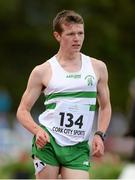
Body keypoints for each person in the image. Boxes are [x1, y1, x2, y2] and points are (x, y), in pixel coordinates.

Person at [17, 10, 111, 179]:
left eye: (80, 33)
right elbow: (22, 110)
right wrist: (37, 131)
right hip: (48, 144)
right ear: (57, 36)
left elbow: (105, 106)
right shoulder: (42, 71)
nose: (77, 38)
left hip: (78, 146)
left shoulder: (98, 68)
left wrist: (99, 134)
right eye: (70, 34)